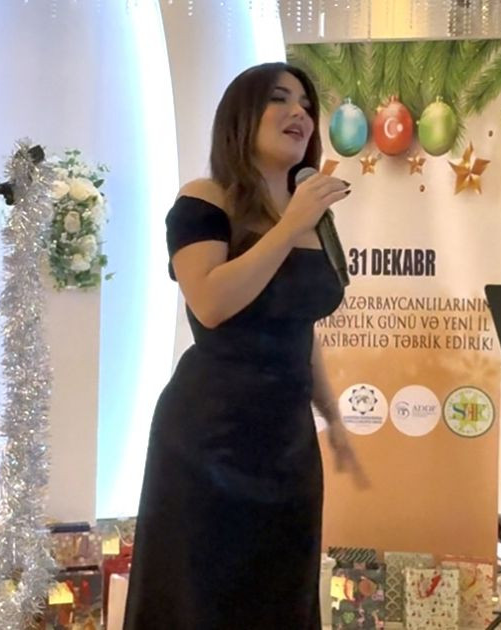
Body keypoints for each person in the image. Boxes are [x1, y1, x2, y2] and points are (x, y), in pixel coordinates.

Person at [123, 62, 366, 629]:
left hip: (287, 441)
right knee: (202, 599)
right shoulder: (206, 199)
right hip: (211, 437)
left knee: (281, 596)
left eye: (306, 104)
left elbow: (298, 324)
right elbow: (210, 302)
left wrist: (332, 417)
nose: (299, 113)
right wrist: (289, 225)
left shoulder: (312, 216)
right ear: (241, 115)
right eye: (279, 99)